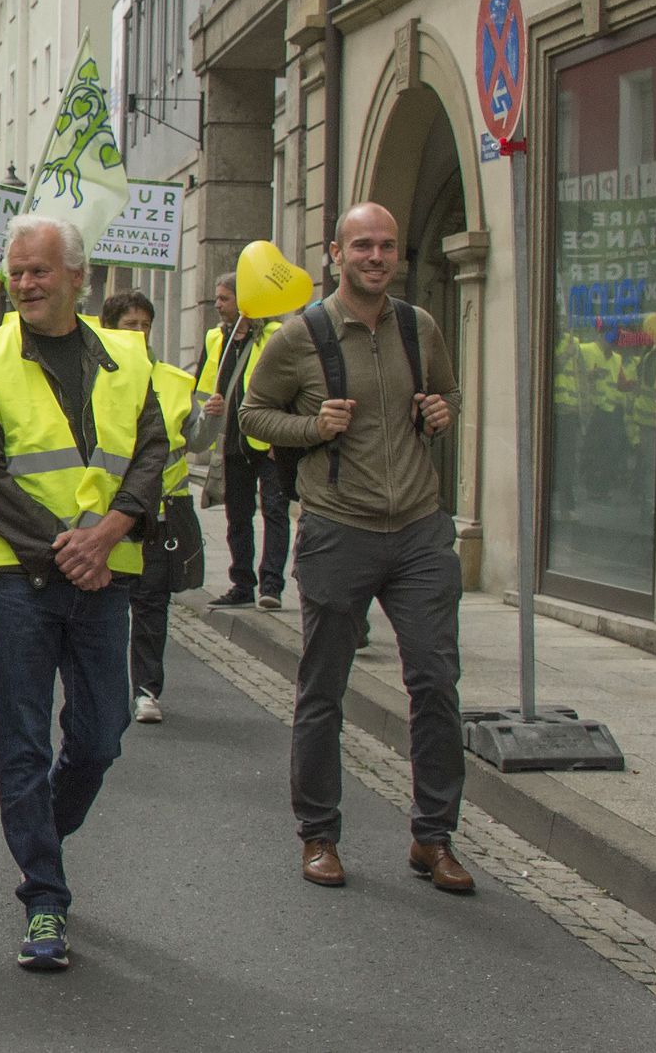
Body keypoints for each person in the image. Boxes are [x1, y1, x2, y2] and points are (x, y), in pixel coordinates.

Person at [0, 215, 167, 971]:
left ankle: (41, 825)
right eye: (16, 272)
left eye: (40, 271)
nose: (25, 285)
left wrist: (106, 535)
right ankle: (44, 896)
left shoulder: (128, 357)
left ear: (79, 276)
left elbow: (150, 452)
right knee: (22, 741)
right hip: (22, 577)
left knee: (102, 734)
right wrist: (63, 548)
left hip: (106, 575)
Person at [240, 203, 468, 893]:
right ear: (334, 253)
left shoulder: (417, 325)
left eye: (388, 246)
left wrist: (440, 413)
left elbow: (447, 394)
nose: (376, 256)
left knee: (434, 681)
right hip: (340, 528)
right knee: (323, 688)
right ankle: (319, 834)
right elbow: (253, 415)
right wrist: (313, 426)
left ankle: (433, 837)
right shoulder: (301, 335)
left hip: (421, 529)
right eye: (362, 245)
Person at [101, 291, 212, 725]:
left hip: (160, 514)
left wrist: (215, 418)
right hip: (106, 514)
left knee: (150, 605)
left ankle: (146, 689)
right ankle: (105, 687)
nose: (139, 332)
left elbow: (197, 441)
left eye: (144, 324)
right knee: (107, 608)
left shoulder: (171, 380)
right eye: (130, 323)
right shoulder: (91, 375)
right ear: (110, 327)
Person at [199, 272, 289, 611]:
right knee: (238, 515)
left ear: (244, 300)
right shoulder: (214, 339)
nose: (218, 305)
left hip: (268, 442)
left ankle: (272, 585)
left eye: (224, 298)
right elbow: (204, 386)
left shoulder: (275, 336)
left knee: (275, 511)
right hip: (232, 440)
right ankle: (242, 583)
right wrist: (208, 411)